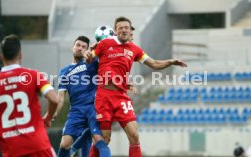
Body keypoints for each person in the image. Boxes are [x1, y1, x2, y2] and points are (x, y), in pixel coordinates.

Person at [84, 16, 187, 157]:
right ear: (115, 30)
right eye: (120, 28)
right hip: (104, 96)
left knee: (134, 135)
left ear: (130, 30)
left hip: (121, 97)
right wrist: (89, 55)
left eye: (126, 27)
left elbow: (154, 63)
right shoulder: (104, 44)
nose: (124, 30)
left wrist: (171, 61)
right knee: (104, 139)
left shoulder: (134, 49)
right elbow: (90, 59)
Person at [0, 34, 58, 157]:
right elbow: (54, 100)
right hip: (38, 145)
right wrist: (48, 117)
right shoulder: (33, 75)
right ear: (20, 55)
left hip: (12, 150)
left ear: (1, 57)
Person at [56, 36, 111, 157]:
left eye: (83, 46)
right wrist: (53, 113)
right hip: (76, 110)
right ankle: (72, 150)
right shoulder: (64, 71)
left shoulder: (92, 63)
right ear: (73, 47)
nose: (80, 48)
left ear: (87, 49)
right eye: (78, 45)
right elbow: (60, 97)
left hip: (93, 107)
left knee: (98, 140)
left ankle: (75, 149)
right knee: (64, 144)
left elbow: (110, 66)